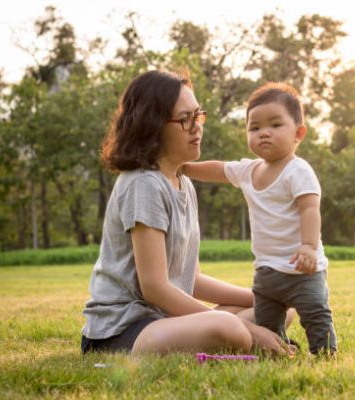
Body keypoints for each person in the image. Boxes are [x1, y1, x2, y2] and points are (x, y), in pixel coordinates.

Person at [81, 70, 294, 356]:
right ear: (153, 125)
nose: (197, 127)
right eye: (185, 119)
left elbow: (191, 279)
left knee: (281, 308)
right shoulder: (143, 183)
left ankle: (229, 346)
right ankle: (237, 344)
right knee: (230, 329)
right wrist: (250, 330)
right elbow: (155, 288)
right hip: (123, 330)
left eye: (198, 116)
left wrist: (262, 298)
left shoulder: (183, 182)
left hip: (166, 321)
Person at [182, 82, 337, 355]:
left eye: (275, 125)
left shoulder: (298, 170)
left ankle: (324, 353)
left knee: (315, 313)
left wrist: (309, 246)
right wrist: (183, 167)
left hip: (302, 270)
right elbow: (218, 170)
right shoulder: (248, 170)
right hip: (266, 273)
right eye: (254, 128)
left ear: (298, 133)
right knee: (267, 320)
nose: (264, 133)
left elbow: (310, 209)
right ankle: (276, 349)